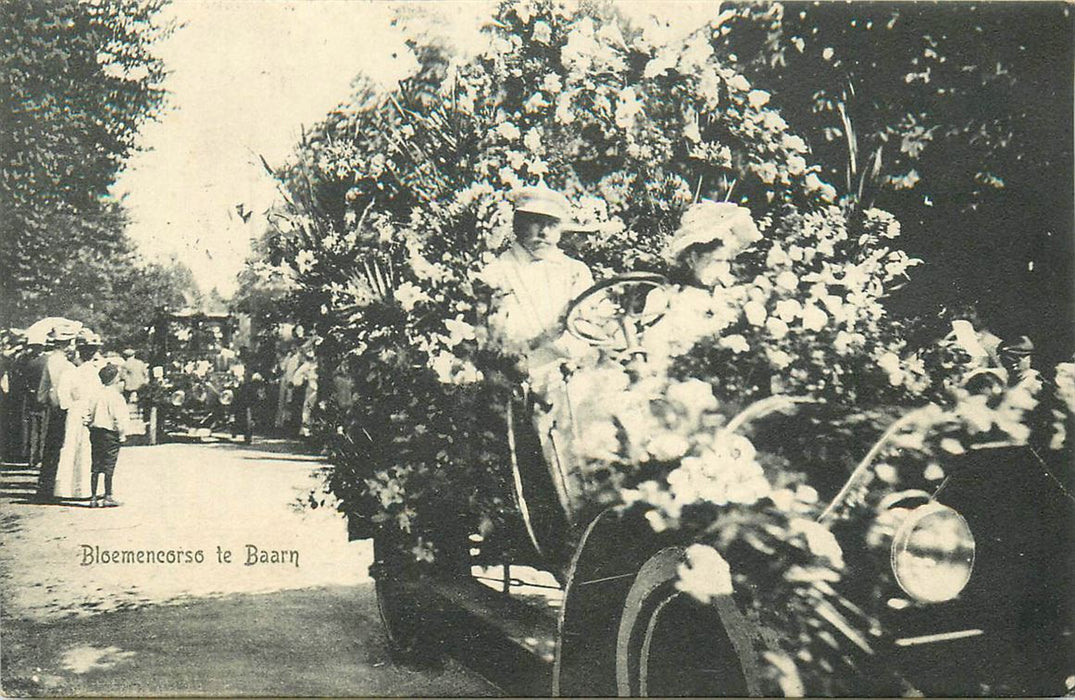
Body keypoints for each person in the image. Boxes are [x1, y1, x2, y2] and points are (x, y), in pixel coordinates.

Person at [482, 185, 596, 385]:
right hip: (522, 379)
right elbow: (497, 342)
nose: (544, 232)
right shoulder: (498, 271)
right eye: (535, 222)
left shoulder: (576, 271)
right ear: (519, 225)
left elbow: (592, 324)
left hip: (579, 374)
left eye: (551, 224)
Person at [52, 330, 103, 501]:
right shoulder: (95, 374)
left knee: (71, 446)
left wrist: (69, 406)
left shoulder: (71, 372)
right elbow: (98, 396)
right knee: (87, 448)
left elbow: (62, 396)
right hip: (90, 411)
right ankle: (86, 489)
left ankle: (67, 489)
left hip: (75, 411)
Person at [35, 324, 80, 500]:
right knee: (62, 445)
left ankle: (45, 486)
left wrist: (46, 401)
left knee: (51, 446)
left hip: (52, 407)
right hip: (65, 407)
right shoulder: (67, 365)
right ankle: (57, 486)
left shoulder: (49, 361)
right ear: (67, 344)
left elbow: (43, 389)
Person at [88, 364, 128, 507]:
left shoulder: (95, 394)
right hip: (110, 434)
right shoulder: (116, 397)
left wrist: (89, 424)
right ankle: (108, 495)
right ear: (114, 379)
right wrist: (122, 434)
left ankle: (93, 497)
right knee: (109, 465)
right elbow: (119, 418)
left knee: (95, 465)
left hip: (95, 432)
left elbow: (87, 413)